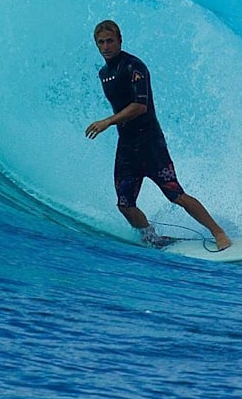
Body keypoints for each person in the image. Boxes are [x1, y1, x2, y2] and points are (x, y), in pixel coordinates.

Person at [84, 19, 232, 251]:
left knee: (176, 195)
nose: (106, 46)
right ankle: (151, 238)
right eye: (101, 42)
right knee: (125, 205)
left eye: (110, 41)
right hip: (126, 146)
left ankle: (219, 233)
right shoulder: (104, 73)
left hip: (150, 142)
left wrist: (107, 122)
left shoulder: (135, 67)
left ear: (120, 40)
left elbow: (140, 106)